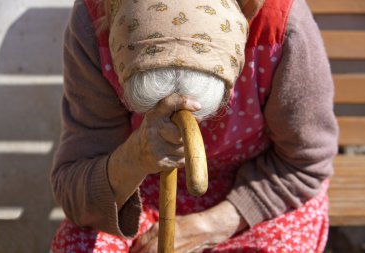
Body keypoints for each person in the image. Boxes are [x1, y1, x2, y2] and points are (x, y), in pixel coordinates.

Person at [50, 0, 339, 252]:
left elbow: (305, 163)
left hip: (263, 188)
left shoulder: (280, 26)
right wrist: (136, 156)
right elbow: (77, 188)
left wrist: (212, 224)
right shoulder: (95, 21)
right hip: (140, 188)